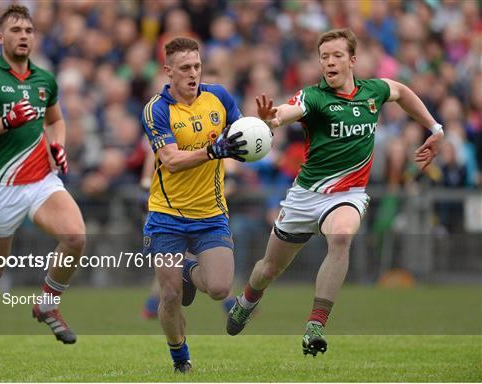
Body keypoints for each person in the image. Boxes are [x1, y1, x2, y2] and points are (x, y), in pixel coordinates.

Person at [226, 28, 443, 357]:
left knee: (341, 235)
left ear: (352, 60)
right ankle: (247, 301)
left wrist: (435, 128)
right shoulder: (314, 96)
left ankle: (315, 324)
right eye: (324, 57)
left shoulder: (373, 91)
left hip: (349, 194)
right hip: (306, 195)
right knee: (269, 268)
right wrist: (272, 119)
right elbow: (289, 110)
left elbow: (401, 91)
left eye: (337, 55)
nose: (329, 62)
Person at [0, 5, 86, 359]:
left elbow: (56, 121)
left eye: (28, 30)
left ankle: (46, 304)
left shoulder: (45, 79)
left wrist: (58, 145)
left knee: (75, 236)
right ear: (0, 38)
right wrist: (6, 122)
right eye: (15, 30)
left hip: (40, 182)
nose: (24, 36)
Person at [141, 37, 246, 373]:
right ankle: (180, 358)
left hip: (211, 213)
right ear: (168, 71)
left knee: (219, 289)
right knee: (170, 295)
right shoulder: (157, 108)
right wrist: (213, 151)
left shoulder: (220, 97)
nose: (193, 73)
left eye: (197, 66)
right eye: (185, 68)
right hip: (167, 215)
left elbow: (242, 135)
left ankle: (187, 269)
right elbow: (170, 160)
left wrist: (267, 126)